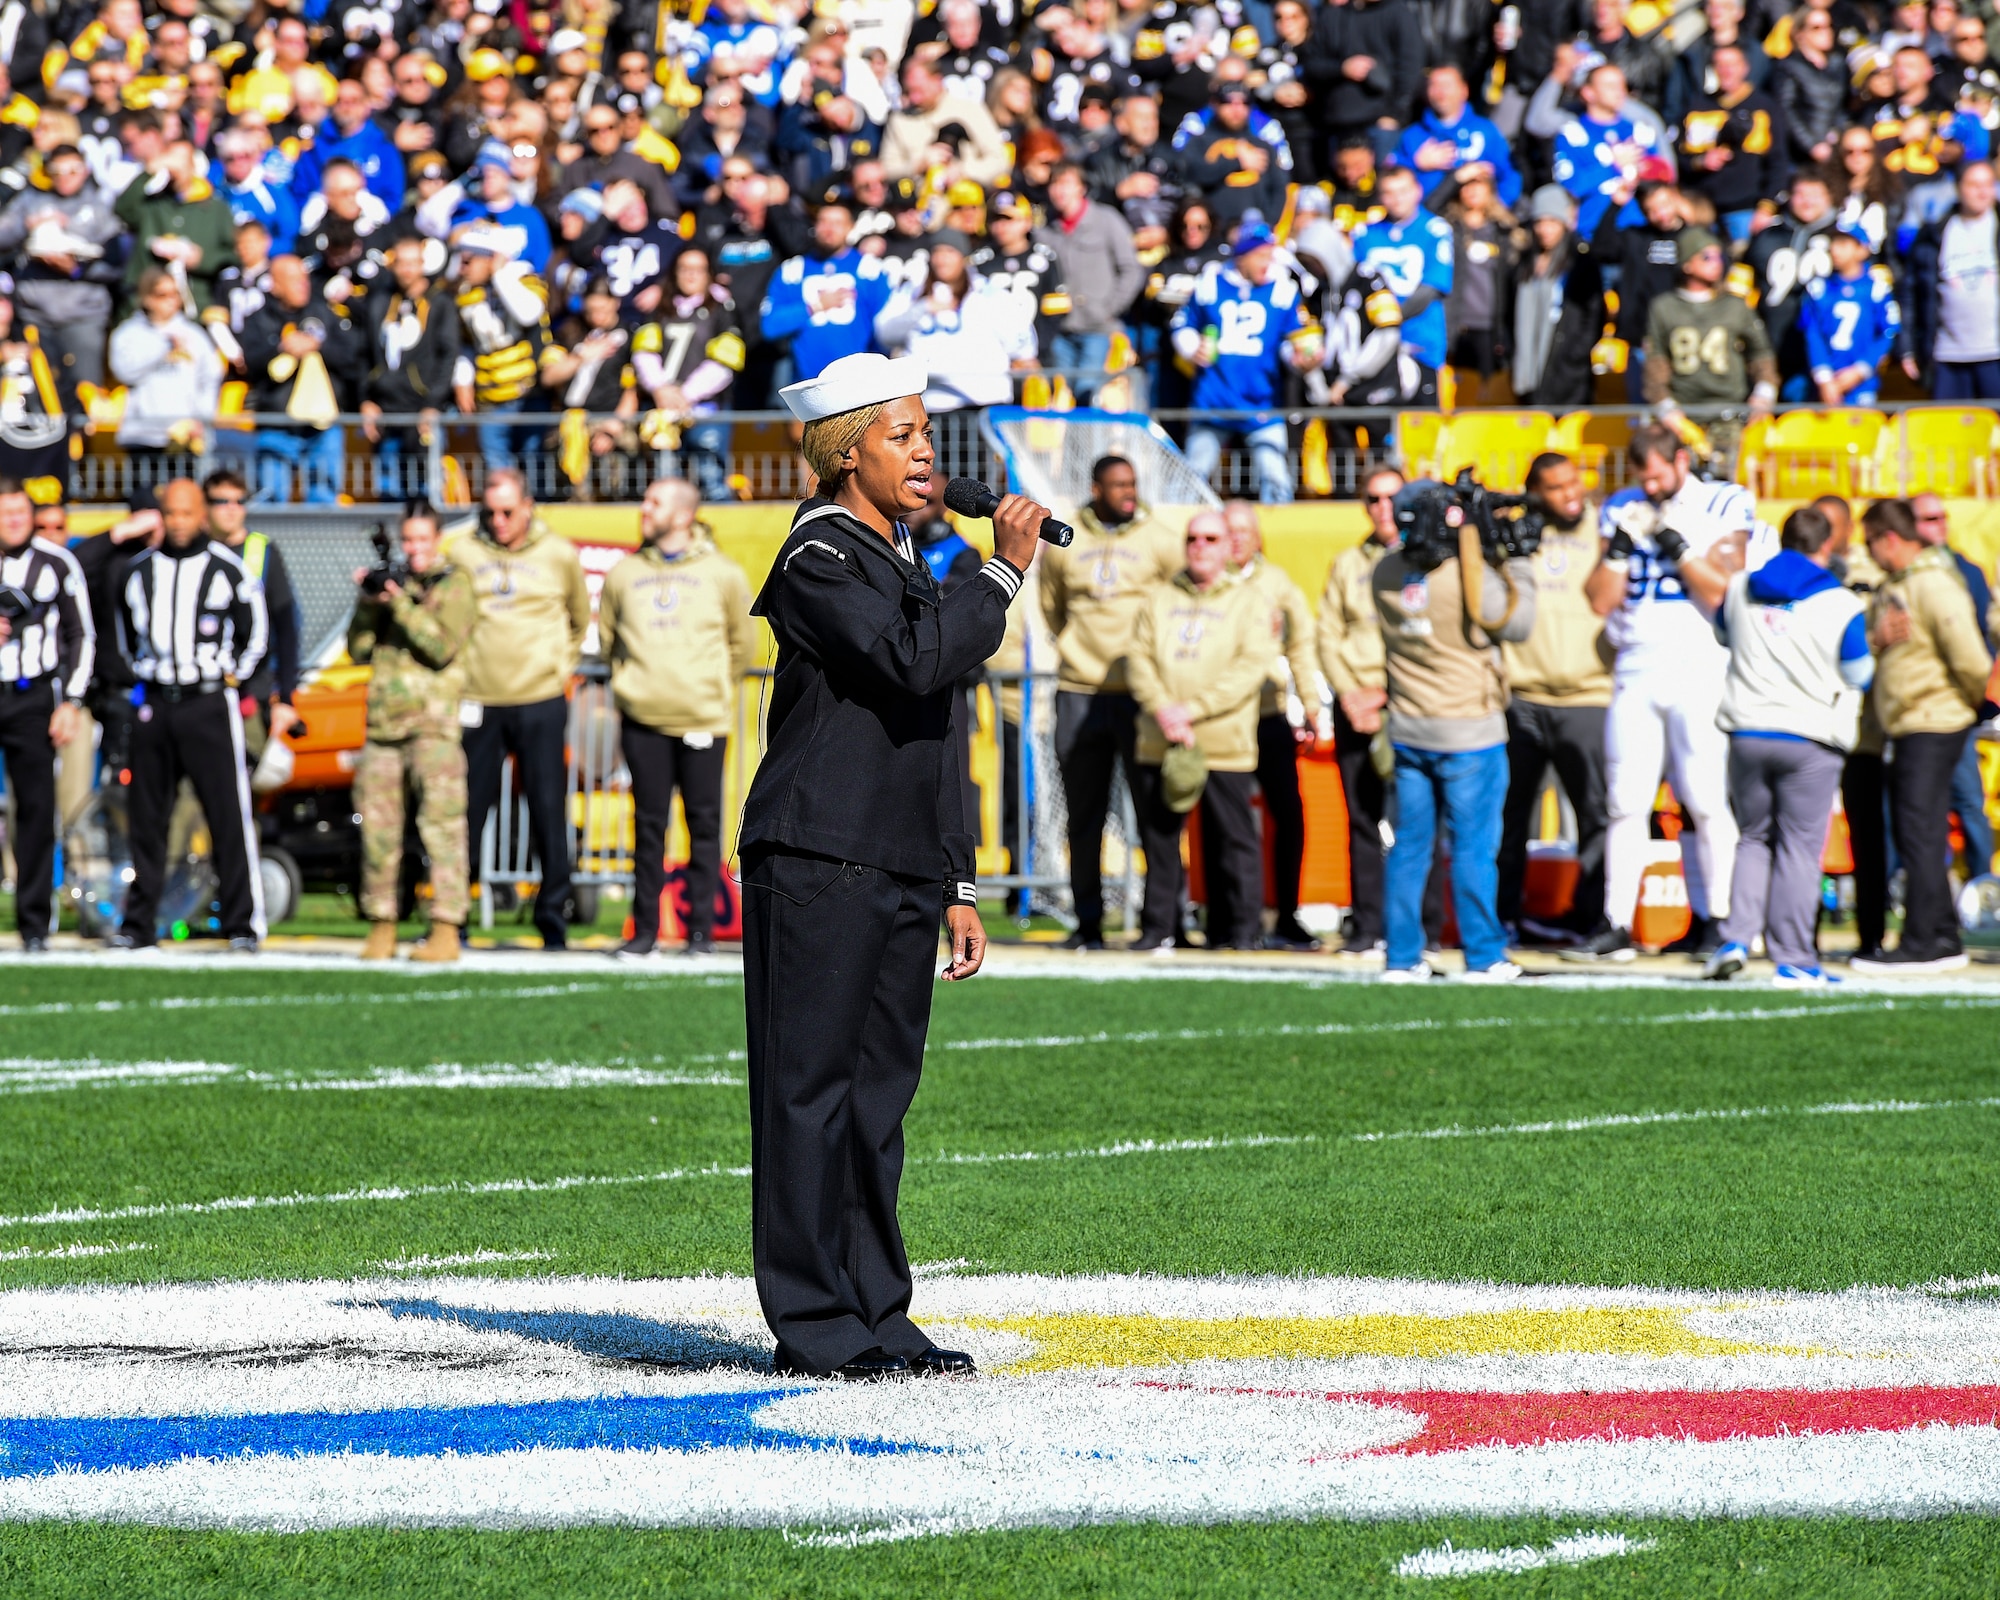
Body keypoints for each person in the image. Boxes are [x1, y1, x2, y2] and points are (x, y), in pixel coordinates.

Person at [742, 350, 1044, 1380]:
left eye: (925, 434)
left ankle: (878, 1309)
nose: (924, 453)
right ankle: (814, 1319)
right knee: (809, 1092)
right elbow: (914, 661)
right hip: (819, 850)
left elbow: (933, 730)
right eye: (901, 436)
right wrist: (999, 572)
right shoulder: (817, 554)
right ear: (843, 451)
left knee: (877, 1100)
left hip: (898, 857)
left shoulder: (905, 557)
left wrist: (956, 880)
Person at [1570, 424, 1771, 961]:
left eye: (1660, 476)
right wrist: (1617, 547)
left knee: (1705, 799)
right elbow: (1598, 601)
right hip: (1636, 666)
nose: (1653, 488)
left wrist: (1672, 543)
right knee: (1625, 802)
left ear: (1683, 461)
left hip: (1699, 662)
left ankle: (1720, 919)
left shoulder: (1725, 501)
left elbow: (1722, 588)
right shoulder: (1620, 506)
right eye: (1645, 479)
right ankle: (1616, 922)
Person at [1372, 478, 1539, 983]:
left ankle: (1402, 956)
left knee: (1410, 848)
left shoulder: (1383, 573)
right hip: (1469, 729)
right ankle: (1484, 953)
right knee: (1471, 848)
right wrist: (1519, 561)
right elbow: (1517, 623)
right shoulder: (1461, 577)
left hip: (1409, 726)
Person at [1705, 505, 1874, 986]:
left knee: (1754, 838)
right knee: (1800, 849)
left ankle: (1736, 939)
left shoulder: (1740, 585)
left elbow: (1722, 634)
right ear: (1828, 546)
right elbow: (1859, 673)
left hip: (1747, 731)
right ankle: (1794, 956)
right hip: (1809, 735)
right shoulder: (1841, 602)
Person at [109, 477, 267, 952]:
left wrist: (228, 675)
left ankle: (241, 922)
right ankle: (139, 923)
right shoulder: (138, 573)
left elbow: (255, 634)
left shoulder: (228, 570)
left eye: (187, 512)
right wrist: (138, 678)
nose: (179, 522)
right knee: (147, 817)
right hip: (155, 700)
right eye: (171, 513)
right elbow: (119, 635)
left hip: (207, 701)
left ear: (203, 515)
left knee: (226, 814)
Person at [599, 479, 756, 957]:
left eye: (654, 502)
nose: (644, 508)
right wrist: (636, 684)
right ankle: (644, 931)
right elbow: (609, 641)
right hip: (642, 718)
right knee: (647, 826)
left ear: (685, 515)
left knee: (704, 826)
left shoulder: (723, 573)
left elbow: (741, 643)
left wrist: (704, 688)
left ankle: (701, 933)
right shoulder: (623, 573)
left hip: (701, 720)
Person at [1037, 454, 1184, 948]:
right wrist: (1079, 652)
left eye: (1132, 484)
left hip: (1141, 695)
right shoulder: (1064, 540)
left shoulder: (1161, 539)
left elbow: (1176, 604)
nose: (1128, 492)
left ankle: (1162, 925)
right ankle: (1088, 924)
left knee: (1154, 813)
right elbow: (1053, 607)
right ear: (1096, 488)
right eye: (1117, 485)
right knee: (1084, 816)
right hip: (1079, 692)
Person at [443, 469, 592, 950]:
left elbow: (578, 617)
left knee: (548, 809)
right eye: (489, 512)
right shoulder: (462, 549)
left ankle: (553, 915)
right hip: (478, 699)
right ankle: (453, 915)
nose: (498, 521)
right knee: (467, 811)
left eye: (507, 511)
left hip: (539, 698)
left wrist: (556, 667)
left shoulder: (557, 554)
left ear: (528, 505)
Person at [1851, 498, 1995, 973]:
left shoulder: (1931, 583)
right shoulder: (1901, 585)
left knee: (1919, 829)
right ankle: (1939, 934)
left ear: (1889, 538)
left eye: (1871, 542)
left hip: (1933, 718)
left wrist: (1977, 704)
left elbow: (1969, 655)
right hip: (1913, 721)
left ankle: (1925, 939)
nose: (1869, 553)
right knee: (1922, 828)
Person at [1126, 509, 1273, 952]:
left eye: (1211, 539)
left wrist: (1192, 709)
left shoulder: (1249, 600)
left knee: (1235, 841)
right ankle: (1160, 928)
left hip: (1224, 743)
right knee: (1161, 841)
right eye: (1193, 538)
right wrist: (1164, 710)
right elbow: (1139, 659)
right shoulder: (1159, 597)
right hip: (1161, 740)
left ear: (1230, 546)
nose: (1200, 547)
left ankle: (1243, 930)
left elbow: (1251, 667)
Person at [346, 504, 477, 964]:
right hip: (384, 727)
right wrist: (368, 602)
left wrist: (399, 601)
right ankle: (381, 924)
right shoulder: (395, 586)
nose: (415, 550)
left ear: (437, 538)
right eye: (409, 540)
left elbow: (440, 646)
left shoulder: (454, 583)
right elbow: (358, 650)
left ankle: (444, 927)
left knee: (441, 829)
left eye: (423, 540)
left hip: (432, 726)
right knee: (379, 833)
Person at [1497, 454, 1612, 945]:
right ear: (1535, 491)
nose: (1571, 494)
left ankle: (1589, 920)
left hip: (1589, 693)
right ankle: (1501, 917)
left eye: (1574, 482)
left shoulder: (1606, 528)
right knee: (1507, 818)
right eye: (1556, 487)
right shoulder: (1512, 536)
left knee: (1595, 817)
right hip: (1520, 694)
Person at [1224, 500, 1325, 950]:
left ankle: (1287, 913)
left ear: (1259, 537)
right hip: (1222, 720)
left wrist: (1311, 704)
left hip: (1267, 713)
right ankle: (1227, 917)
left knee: (1289, 814)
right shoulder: (1207, 580)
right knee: (1226, 822)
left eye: (1246, 530)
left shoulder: (1277, 585)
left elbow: (1301, 645)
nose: (1238, 538)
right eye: (1230, 530)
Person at [0, 479, 92, 952]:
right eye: (6, 512)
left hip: (32, 696)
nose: (14, 521)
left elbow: (81, 634)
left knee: (35, 809)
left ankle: (35, 924)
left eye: (21, 512)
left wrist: (71, 701)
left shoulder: (56, 563)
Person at [1317, 465, 1402, 957]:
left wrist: (1386, 692)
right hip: (1354, 705)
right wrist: (1351, 692)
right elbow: (1326, 633)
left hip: (1408, 701)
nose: (1382, 508)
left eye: (1391, 498)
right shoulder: (1348, 562)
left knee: (1418, 820)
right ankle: (1368, 926)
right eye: (1373, 498)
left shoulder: (1426, 559)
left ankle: (1424, 928)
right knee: (1361, 820)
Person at [1171, 220, 1319, 504]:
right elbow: (1182, 324)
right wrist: (1191, 347)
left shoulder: (1283, 289)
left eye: (1270, 253)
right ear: (1243, 255)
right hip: (1214, 400)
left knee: (1276, 479)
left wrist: (1301, 359)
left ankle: (1277, 541)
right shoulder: (1211, 282)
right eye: (1261, 254)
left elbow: (1292, 341)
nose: (1269, 261)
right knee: (1192, 476)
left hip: (1261, 402)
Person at [1912, 492, 1998, 877]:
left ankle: (1982, 887)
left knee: (1968, 800)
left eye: (1942, 516)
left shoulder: (1969, 572)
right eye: (1929, 518)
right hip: (1916, 704)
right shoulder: (1904, 573)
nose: (1940, 523)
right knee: (1916, 804)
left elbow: (1985, 632)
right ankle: (1913, 887)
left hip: (1957, 705)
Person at [1642, 229, 1777, 470]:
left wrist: (1764, 391)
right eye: (1706, 257)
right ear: (1687, 264)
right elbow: (1656, 360)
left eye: (1718, 257)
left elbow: (1761, 351)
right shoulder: (1664, 307)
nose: (1716, 264)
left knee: (1723, 481)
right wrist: (1665, 407)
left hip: (1729, 413)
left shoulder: (1734, 305)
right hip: (1682, 413)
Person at [242, 253, 362, 505]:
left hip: (322, 424)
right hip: (275, 423)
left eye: (304, 279)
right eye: (293, 280)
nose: (303, 285)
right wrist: (280, 348)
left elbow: (351, 356)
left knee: (324, 495)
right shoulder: (258, 319)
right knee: (271, 497)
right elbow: (250, 362)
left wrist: (318, 346)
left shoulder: (324, 313)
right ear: (274, 284)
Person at [202, 469, 300, 764]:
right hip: (204, 687)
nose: (232, 509)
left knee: (246, 774)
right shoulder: (198, 552)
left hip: (250, 690)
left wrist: (285, 697)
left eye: (239, 501)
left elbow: (286, 627)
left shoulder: (262, 550)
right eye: (222, 501)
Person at [109, 267, 223, 494]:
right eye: (163, 295)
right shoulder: (128, 334)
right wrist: (163, 347)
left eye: (175, 294)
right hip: (143, 435)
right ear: (147, 299)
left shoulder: (195, 335)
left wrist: (202, 419)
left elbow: (211, 378)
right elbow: (125, 371)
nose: (171, 301)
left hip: (185, 437)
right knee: (146, 508)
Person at [1035, 161, 1143, 401]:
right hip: (1060, 332)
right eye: (1054, 184)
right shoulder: (1046, 230)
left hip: (1099, 329)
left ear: (1082, 188)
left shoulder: (1107, 220)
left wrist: (1107, 309)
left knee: (1091, 396)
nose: (1059, 191)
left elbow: (1131, 269)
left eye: (1066, 183)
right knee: (1061, 402)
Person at [1351, 167, 1454, 405]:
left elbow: (1431, 287)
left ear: (1418, 191)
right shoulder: (1366, 233)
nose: (1397, 199)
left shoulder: (1435, 229)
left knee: (1421, 427)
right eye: (1389, 192)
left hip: (1420, 342)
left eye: (1403, 191)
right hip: (1374, 348)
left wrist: (1390, 318)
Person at [1898, 159, 2000, 399]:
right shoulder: (1935, 233)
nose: (1982, 191)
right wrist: (1907, 347)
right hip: (1948, 355)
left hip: (1994, 353)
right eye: (1974, 184)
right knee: (1949, 431)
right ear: (1958, 188)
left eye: (1988, 184)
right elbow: (1913, 293)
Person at [1395, 64, 1523, 210]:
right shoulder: (1412, 135)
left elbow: (1510, 174)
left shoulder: (1485, 130)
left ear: (1464, 90)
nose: (1441, 92)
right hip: (1430, 219)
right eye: (1434, 85)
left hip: (1476, 223)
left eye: (1447, 85)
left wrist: (1497, 208)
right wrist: (1415, 164)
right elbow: (1392, 182)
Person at [1799, 222, 1900, 404]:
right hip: (1825, 383)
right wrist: (1823, 376)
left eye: (1843, 244)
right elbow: (1812, 332)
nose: (1835, 250)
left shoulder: (1876, 289)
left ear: (1862, 250)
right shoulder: (1818, 288)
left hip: (1861, 383)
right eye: (1833, 243)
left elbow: (1888, 331)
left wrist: (1861, 369)